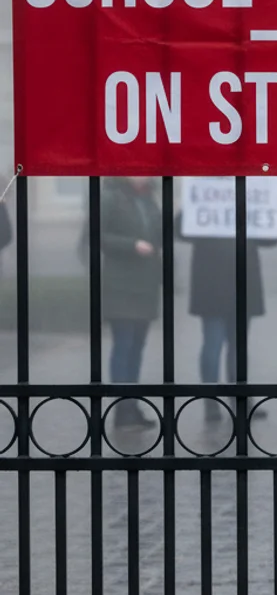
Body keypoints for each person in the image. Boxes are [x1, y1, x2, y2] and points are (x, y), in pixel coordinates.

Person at [175, 203, 277, 421]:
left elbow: (270, 238)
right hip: (226, 278)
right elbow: (180, 230)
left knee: (226, 345)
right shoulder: (230, 198)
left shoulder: (218, 198)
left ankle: (222, 400)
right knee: (223, 345)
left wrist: (276, 216)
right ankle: (225, 399)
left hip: (228, 278)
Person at [100, 176, 163, 428]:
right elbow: (99, 235)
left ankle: (132, 404)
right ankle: (122, 408)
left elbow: (158, 234)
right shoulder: (110, 197)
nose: (142, 175)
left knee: (137, 347)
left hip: (145, 284)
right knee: (123, 346)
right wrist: (132, 245)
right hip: (121, 284)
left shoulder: (150, 199)